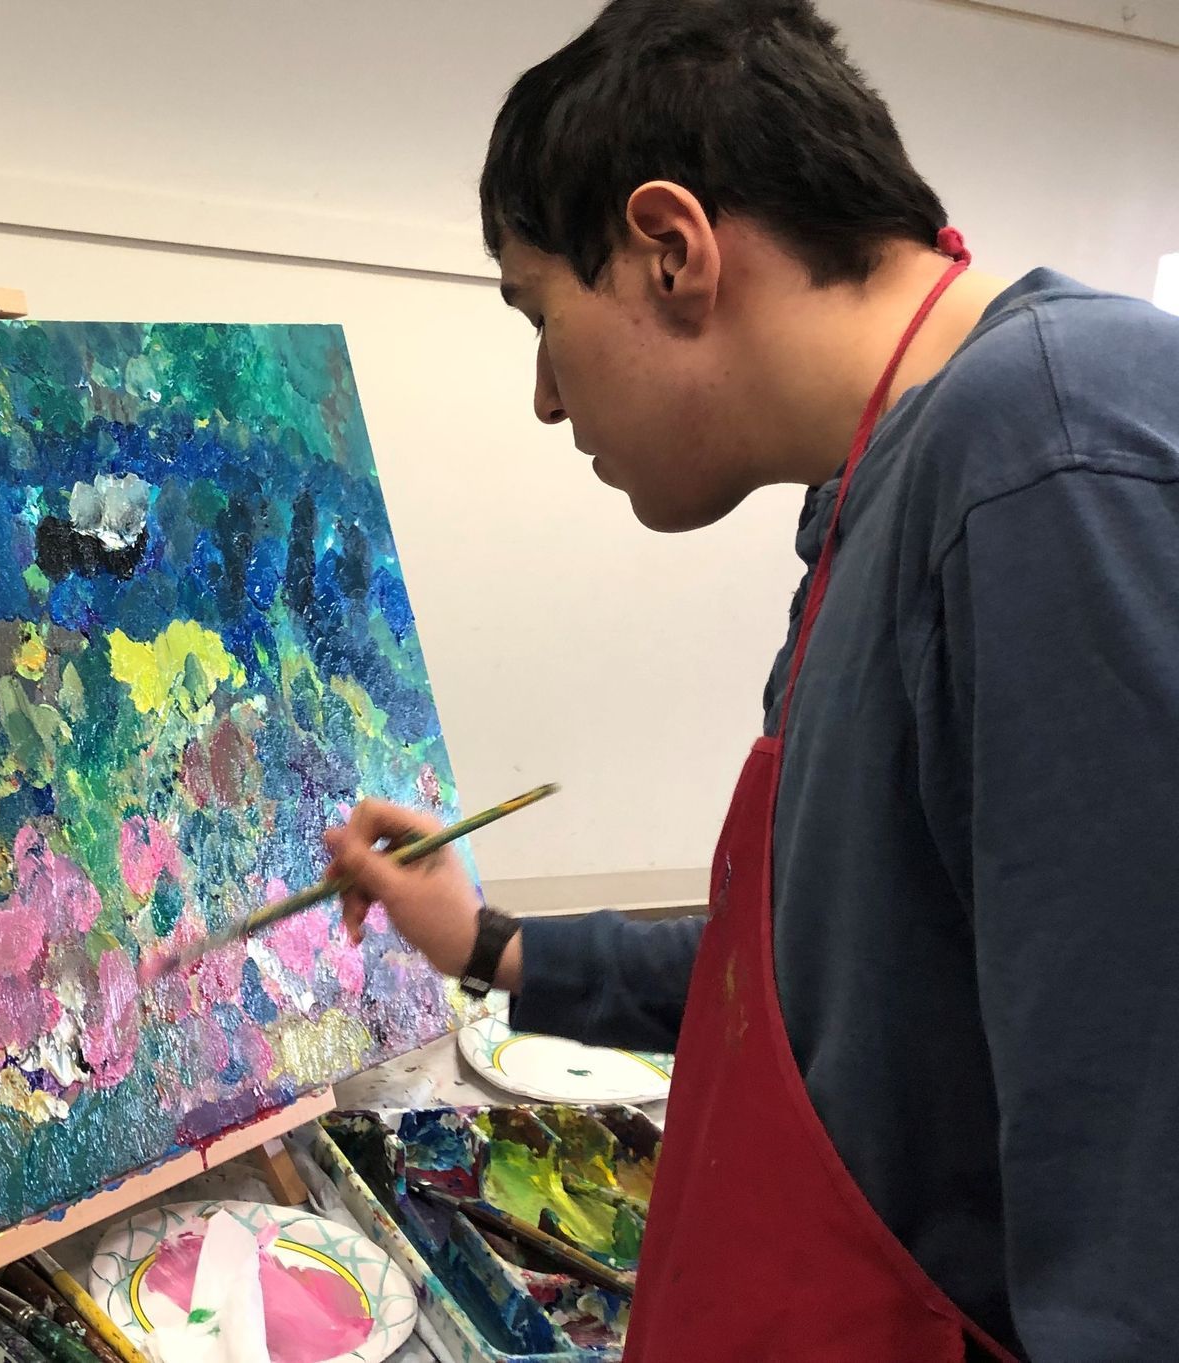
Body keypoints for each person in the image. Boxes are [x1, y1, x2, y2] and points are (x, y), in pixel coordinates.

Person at [323, 2, 1179, 1360]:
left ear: (671, 253)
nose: (547, 396)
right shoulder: (882, 483)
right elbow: (815, 964)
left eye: (542, 315)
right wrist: (487, 945)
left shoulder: (1047, 456)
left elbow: (1141, 1207)